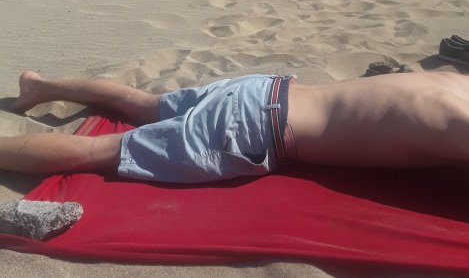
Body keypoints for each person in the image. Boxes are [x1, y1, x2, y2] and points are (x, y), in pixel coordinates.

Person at [2, 69, 469, 183]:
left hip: (264, 88)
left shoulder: (455, 82)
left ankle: (40, 85)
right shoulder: (458, 118)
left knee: (140, 102)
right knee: (101, 152)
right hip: (256, 127)